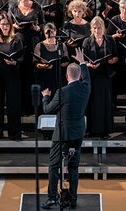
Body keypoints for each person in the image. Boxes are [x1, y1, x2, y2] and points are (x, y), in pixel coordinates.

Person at [40, 48, 90, 209]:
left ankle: (52, 197)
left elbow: (48, 109)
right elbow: (87, 76)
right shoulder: (85, 88)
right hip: (78, 133)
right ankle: (73, 199)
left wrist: (45, 96)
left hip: (62, 135)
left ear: (66, 76)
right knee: (73, 168)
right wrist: (82, 62)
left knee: (54, 166)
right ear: (80, 76)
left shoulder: (62, 92)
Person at [9, 0, 44, 115]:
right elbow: (8, 24)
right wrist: (14, 27)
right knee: (19, 73)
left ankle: (32, 107)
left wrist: (38, 28)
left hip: (33, 42)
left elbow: (43, 24)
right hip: (18, 42)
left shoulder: (36, 7)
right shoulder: (13, 7)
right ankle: (21, 108)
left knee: (32, 74)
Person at [0, 14, 24, 141]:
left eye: (7, 24)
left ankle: (14, 133)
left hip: (12, 73)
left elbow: (21, 57)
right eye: (2, 24)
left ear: (11, 25)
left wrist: (15, 62)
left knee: (13, 105)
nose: (5, 27)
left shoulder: (16, 39)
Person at [82, 16, 118, 139]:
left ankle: (105, 130)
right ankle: (90, 130)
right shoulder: (87, 41)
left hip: (105, 75)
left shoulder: (110, 40)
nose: (97, 30)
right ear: (91, 29)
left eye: (99, 28)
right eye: (94, 28)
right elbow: (83, 60)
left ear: (103, 28)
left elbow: (116, 56)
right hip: (92, 75)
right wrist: (89, 64)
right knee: (91, 102)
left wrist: (113, 61)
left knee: (105, 103)